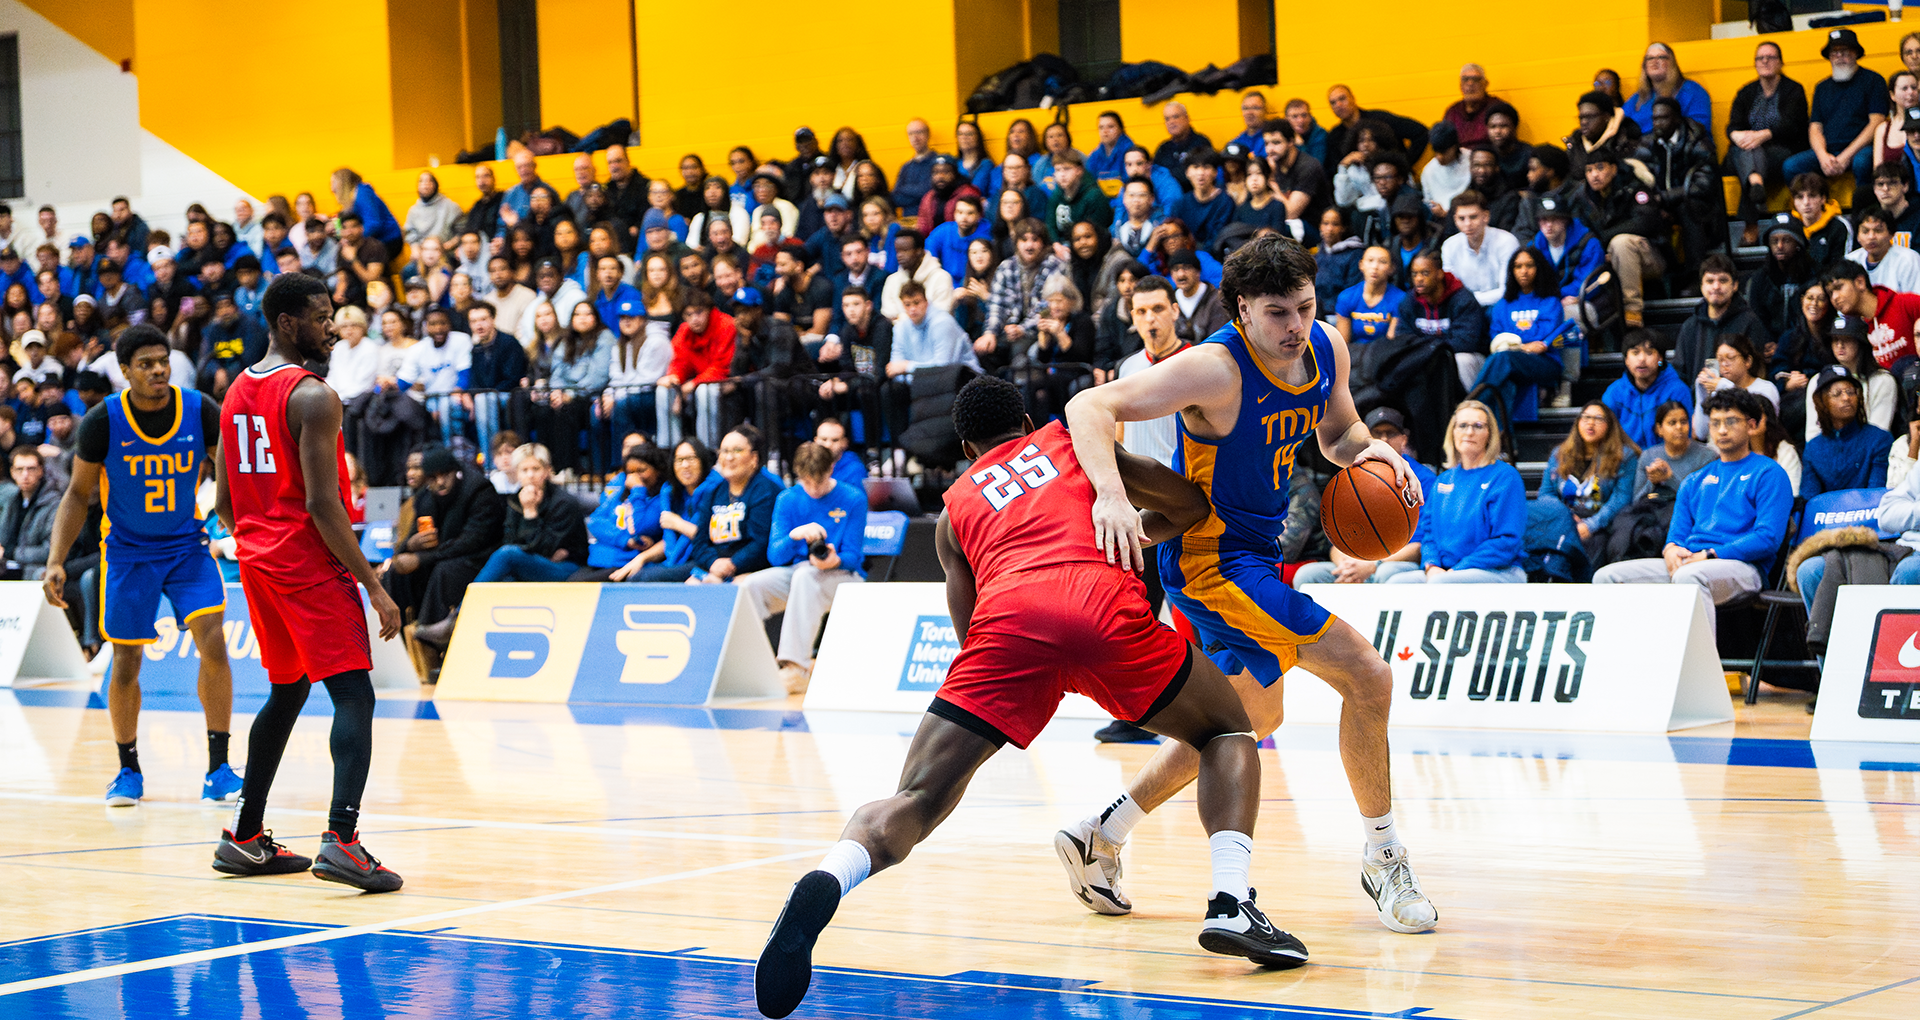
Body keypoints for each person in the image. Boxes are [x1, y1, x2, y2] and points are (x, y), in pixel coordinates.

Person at [752, 378, 1298, 1020]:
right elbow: (1188, 507)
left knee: (919, 797)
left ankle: (831, 875)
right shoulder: (1075, 442)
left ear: (964, 445)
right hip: (1098, 605)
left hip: (1007, 628)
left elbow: (967, 631)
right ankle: (1231, 901)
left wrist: (1019, 680)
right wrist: (1123, 531)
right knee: (1227, 732)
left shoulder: (954, 509)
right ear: (1029, 419)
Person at [1061, 234, 1437, 938]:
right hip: (1211, 560)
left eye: (1305, 306)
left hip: (1257, 554)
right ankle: (1384, 857)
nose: (1295, 326)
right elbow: (1088, 406)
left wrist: (1372, 449)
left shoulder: (1324, 343)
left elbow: (1337, 432)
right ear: (1241, 309)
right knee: (1369, 676)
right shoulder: (1212, 368)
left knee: (1250, 721)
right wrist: (1109, 494)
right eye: (1277, 314)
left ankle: (1099, 833)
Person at [207, 272, 405, 890]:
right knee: (354, 697)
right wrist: (372, 584)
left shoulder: (238, 390)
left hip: (259, 563)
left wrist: (259, 539)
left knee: (288, 692)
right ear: (289, 323)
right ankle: (342, 840)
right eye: (323, 319)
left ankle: (244, 837)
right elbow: (324, 506)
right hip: (308, 565)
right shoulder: (314, 396)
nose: (334, 331)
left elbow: (224, 503)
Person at [36, 325, 237, 807]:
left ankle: (219, 768)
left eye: (163, 360)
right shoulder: (102, 421)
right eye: (145, 364)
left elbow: (229, 471)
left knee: (212, 638)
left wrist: (239, 526)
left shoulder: (200, 409)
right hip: (127, 552)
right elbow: (78, 495)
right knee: (127, 659)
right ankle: (127, 769)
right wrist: (55, 561)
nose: (158, 370)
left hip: (187, 545)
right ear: (124, 372)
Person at [1594, 389, 1793, 633]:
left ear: (1751, 425)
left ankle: (1698, 668)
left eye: (1731, 422)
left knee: (1689, 579)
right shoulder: (1695, 480)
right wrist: (1671, 550)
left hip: (1744, 568)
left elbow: (1768, 538)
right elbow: (1676, 535)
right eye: (1715, 423)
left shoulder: (1769, 473)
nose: (1721, 430)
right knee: (1606, 578)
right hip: (1692, 563)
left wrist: (1710, 554)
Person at [735, 442, 867, 695]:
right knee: (752, 585)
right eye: (807, 483)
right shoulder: (787, 498)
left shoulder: (853, 498)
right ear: (798, 475)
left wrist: (834, 561)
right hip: (799, 573)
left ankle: (796, 667)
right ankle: (748, 664)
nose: (814, 489)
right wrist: (795, 535)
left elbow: (853, 556)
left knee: (806, 576)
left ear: (831, 469)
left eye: (820, 481)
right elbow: (775, 556)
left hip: (843, 577)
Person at [1293, 408, 1436, 586]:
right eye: (1377, 433)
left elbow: (1419, 546)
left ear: (1404, 438)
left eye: (1391, 433)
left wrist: (1373, 564)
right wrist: (1348, 566)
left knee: (1387, 574)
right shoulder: (1353, 474)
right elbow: (1335, 538)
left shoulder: (1422, 478)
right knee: (1307, 575)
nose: (1384, 440)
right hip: (1355, 562)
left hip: (1391, 565)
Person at [381, 444, 503, 639]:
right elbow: (410, 539)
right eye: (433, 477)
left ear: (455, 471)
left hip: (479, 557)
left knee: (444, 570)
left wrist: (422, 559)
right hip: (443, 554)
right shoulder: (426, 497)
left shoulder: (479, 490)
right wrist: (411, 546)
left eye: (445, 475)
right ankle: (398, 635)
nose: (440, 482)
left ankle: (431, 635)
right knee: (396, 572)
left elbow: (471, 542)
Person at [638, 424, 779, 584]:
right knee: (692, 584)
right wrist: (713, 562)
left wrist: (732, 564)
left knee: (732, 585)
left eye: (737, 451)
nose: (729, 457)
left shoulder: (765, 490)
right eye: (724, 451)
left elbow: (761, 542)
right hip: (717, 565)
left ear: (754, 458)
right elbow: (700, 541)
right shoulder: (714, 491)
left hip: (754, 568)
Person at [450, 443, 591, 600]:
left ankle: (461, 613)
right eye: (524, 470)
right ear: (517, 474)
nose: (530, 475)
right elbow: (510, 539)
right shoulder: (516, 500)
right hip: (531, 562)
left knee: (508, 556)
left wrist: (530, 512)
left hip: (569, 568)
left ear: (546, 471)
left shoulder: (564, 503)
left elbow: (544, 550)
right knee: (503, 577)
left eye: (536, 469)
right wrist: (528, 550)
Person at [1474, 248, 1572, 419]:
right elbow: (1496, 340)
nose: (1523, 271)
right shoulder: (1502, 305)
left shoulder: (1550, 302)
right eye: (1518, 266)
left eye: (1529, 265)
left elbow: (1543, 336)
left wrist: (1513, 341)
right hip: (1512, 362)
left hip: (1546, 364)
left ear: (1539, 268)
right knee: (1504, 383)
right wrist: (1525, 346)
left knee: (1503, 358)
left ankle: (1472, 404)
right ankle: (1506, 440)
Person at [1785, 29, 1888, 193]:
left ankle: (1866, 212)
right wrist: (1823, 156)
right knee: (1791, 166)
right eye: (1835, 52)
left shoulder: (1873, 81)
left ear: (1855, 53)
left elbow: (1876, 122)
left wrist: (1846, 156)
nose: (1839, 56)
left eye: (1845, 51)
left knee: (1862, 162)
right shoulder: (1822, 87)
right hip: (1829, 151)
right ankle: (1813, 210)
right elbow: (1815, 128)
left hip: (1861, 149)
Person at [1571, 146, 1663, 328]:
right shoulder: (1582, 199)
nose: (1594, 175)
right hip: (1607, 261)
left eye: (1599, 168)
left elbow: (1645, 223)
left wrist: (1603, 241)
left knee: (1620, 243)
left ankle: (1632, 310)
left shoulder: (1635, 188)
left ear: (1614, 169)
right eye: (1589, 170)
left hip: (1650, 256)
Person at [1541, 402, 1640, 546]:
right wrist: (1566, 517)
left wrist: (1590, 525)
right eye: (1586, 417)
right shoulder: (1559, 454)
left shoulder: (1624, 457)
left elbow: (1621, 499)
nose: (1591, 423)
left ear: (1610, 425)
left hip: (1602, 524)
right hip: (1564, 519)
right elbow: (1546, 494)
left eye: (1598, 418)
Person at [1801, 365, 1892, 501]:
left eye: (1850, 392)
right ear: (1822, 403)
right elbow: (1810, 501)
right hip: (1827, 520)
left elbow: (1876, 495)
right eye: (1837, 394)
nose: (1846, 398)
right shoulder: (1813, 448)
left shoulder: (1879, 439)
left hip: (1867, 520)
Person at [1675, 253, 1768, 385]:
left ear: (1735, 285)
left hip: (1738, 401)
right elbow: (1679, 372)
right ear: (1701, 286)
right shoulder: (1690, 326)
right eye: (1710, 281)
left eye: (1723, 280)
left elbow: (1757, 372)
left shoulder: (1750, 322)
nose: (1716, 286)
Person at [1806, 313, 1896, 440]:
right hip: (1827, 453)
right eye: (1835, 339)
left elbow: (1878, 434)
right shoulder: (1817, 381)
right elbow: (1812, 434)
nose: (1839, 345)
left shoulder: (1882, 380)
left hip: (1868, 453)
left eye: (1847, 339)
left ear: (1860, 342)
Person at [1604, 329, 1694, 451]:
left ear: (1660, 358)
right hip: (1625, 463)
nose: (1642, 359)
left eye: (1649, 353)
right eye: (1635, 353)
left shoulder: (1677, 391)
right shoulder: (1614, 393)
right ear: (1626, 360)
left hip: (1669, 460)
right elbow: (1606, 436)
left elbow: (1684, 436)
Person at [1823, 259, 1920, 369]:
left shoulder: (1907, 304)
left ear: (1860, 282)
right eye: (1830, 293)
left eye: (1839, 287)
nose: (1835, 297)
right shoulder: (1851, 329)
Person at [1691, 334, 1780, 441]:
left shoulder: (1766, 388)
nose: (1724, 364)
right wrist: (1701, 393)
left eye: (1730, 358)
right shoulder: (1719, 389)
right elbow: (1702, 433)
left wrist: (1727, 387)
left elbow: (1758, 426)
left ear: (1747, 361)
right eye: (1719, 360)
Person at [1439, 190, 1519, 307]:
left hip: (1501, 305)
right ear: (1455, 219)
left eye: (1473, 217)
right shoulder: (1449, 246)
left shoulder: (1506, 242)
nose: (1467, 224)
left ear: (1485, 216)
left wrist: (1469, 301)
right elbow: (1450, 289)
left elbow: (1507, 290)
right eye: (1461, 218)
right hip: (1465, 308)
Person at [1623, 43, 1712, 135]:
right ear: (1644, 66)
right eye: (1650, 58)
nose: (1655, 61)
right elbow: (1622, 121)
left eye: (1661, 57)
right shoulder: (1637, 98)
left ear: (1672, 62)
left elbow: (1699, 129)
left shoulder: (1693, 92)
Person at [1634, 400, 1715, 501]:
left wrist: (1670, 478)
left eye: (1683, 422)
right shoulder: (1648, 456)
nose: (1679, 427)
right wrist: (1652, 481)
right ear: (1659, 429)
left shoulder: (1706, 457)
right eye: (1672, 423)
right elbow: (1636, 501)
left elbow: (1702, 501)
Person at [1332, 245, 1403, 343]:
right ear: (1361, 265)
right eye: (1370, 260)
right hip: (1354, 354)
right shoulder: (1346, 297)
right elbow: (1343, 343)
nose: (1375, 267)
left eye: (1382, 261)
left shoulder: (1400, 299)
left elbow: (1391, 344)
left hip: (1385, 355)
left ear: (1391, 268)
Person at [1846, 203, 1920, 292]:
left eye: (1878, 231)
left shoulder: (1908, 260)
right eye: (1865, 231)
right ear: (1857, 236)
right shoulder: (1850, 261)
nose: (1871, 237)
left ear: (1891, 234)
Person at [1443, 64, 1516, 148]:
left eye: (1476, 79)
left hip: (1490, 157)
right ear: (1461, 86)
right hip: (1459, 158)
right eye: (1465, 80)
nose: (1470, 83)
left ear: (1485, 84)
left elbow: (1508, 143)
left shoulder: (1498, 108)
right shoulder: (1453, 112)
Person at [1152, 102, 1214, 187]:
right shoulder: (1163, 149)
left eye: (1175, 117)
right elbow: (1155, 176)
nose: (1171, 122)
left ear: (1187, 118)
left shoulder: (1201, 143)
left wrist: (1169, 176)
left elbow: (1202, 174)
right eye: (1167, 119)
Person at [1869, 157, 1920, 246]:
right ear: (1874, 189)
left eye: (1892, 183)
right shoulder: (1869, 218)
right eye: (1880, 184)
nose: (1885, 189)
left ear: (1905, 186)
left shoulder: (1918, 217)